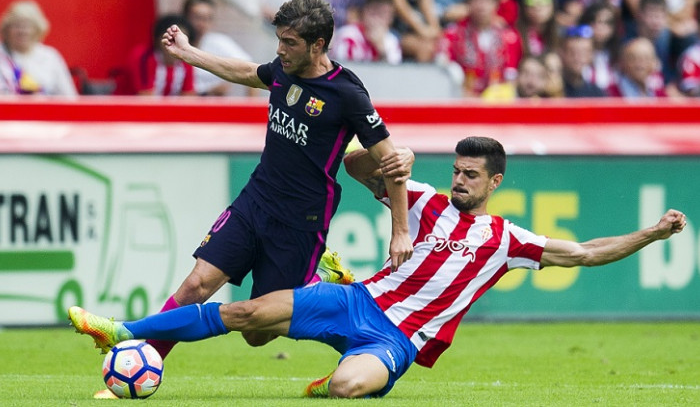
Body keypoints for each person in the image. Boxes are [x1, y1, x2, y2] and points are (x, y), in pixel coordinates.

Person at [69, 136, 687, 399]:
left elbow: (584, 252)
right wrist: (389, 159)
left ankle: (332, 376)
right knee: (246, 312)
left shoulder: (506, 238)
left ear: (495, 181)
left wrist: (652, 234)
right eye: (457, 171)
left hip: (394, 338)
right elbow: (358, 168)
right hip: (356, 300)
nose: (461, 180)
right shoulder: (422, 200)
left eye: (473, 175)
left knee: (346, 389)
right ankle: (126, 332)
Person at [155, 0, 412, 359]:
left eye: (289, 42)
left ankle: (319, 284)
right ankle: (144, 354)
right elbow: (245, 72)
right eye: (279, 40)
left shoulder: (347, 94)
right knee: (197, 284)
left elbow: (393, 164)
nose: (280, 49)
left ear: (317, 44)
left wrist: (400, 231)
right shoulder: (283, 69)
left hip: (300, 220)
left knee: (256, 335)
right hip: (256, 200)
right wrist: (187, 51)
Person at [439, 0, 523, 96]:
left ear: (496, 3)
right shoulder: (452, 35)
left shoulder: (510, 38)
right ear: (468, 3)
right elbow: (442, 65)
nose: (481, 5)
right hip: (462, 100)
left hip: (498, 101)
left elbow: (511, 75)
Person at [182, 0, 257, 96]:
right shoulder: (174, 47)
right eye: (197, 18)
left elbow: (252, 71)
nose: (202, 24)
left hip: (218, 109)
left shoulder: (220, 43)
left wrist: (251, 108)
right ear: (185, 17)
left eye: (207, 19)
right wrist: (208, 92)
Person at [0, 0, 76, 96]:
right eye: (16, 26)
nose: (22, 32)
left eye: (27, 26)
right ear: (6, 29)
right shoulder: (2, 55)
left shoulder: (50, 56)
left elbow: (69, 97)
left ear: (37, 29)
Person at [113, 14, 196, 96]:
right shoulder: (142, 57)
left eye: (181, 40)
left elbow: (189, 97)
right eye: (171, 38)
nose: (176, 43)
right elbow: (146, 98)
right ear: (157, 38)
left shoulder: (187, 61)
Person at [330, 0, 403, 64]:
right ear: (364, 12)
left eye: (384, 14)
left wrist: (382, 51)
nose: (377, 19)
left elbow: (394, 73)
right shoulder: (348, 37)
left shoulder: (391, 41)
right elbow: (344, 72)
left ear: (391, 18)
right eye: (374, 12)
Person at [578, 1, 621, 90]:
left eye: (607, 22)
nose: (600, 27)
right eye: (594, 21)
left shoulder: (619, 56)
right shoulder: (576, 54)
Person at [558, 24, 608, 97]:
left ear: (591, 55)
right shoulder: (552, 91)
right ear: (562, 54)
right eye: (572, 52)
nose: (577, 58)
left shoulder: (597, 93)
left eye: (583, 52)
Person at [482, 54, 550, 99]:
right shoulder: (497, 95)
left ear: (545, 81)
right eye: (526, 74)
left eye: (538, 76)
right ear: (518, 75)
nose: (531, 81)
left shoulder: (548, 102)